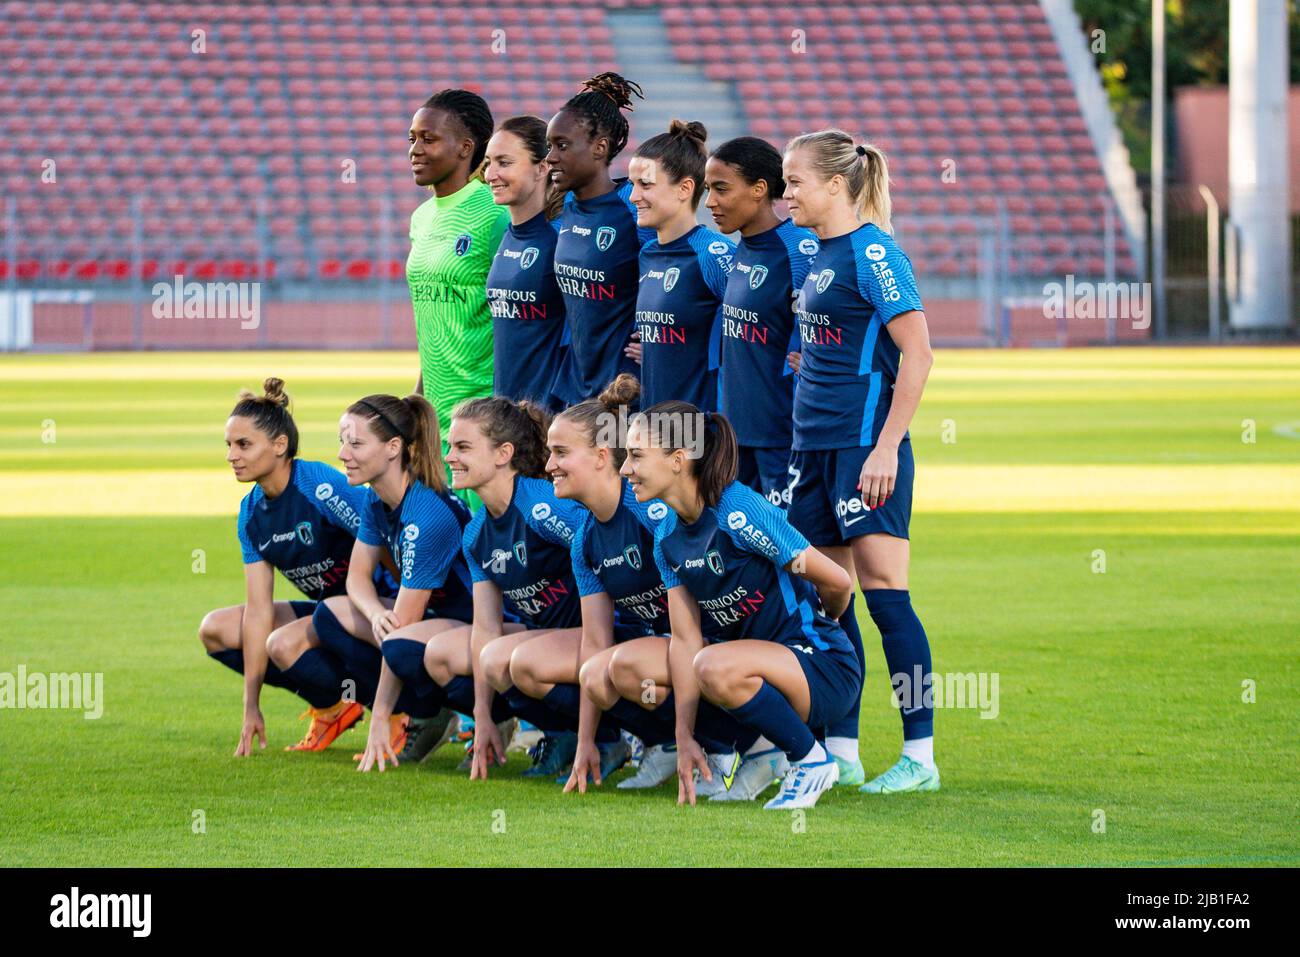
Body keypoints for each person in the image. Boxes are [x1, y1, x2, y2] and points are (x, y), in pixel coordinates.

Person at [706, 134, 869, 791]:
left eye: (722, 188)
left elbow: (834, 334)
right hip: (737, 446)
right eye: (709, 187)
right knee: (754, 592)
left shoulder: (798, 251)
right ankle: (768, 739)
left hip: (784, 449)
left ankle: (842, 739)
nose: (711, 200)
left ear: (762, 190)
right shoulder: (735, 253)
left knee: (816, 581)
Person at [783, 130, 939, 794]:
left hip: (863, 446)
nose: (786, 192)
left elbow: (919, 353)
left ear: (835, 185)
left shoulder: (875, 250)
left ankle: (920, 756)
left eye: (794, 181)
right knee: (828, 593)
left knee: (886, 596)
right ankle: (842, 746)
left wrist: (884, 448)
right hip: (813, 445)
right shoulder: (820, 252)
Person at [624, 402, 860, 809]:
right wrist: (683, 735)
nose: (625, 469)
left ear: (678, 460)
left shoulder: (738, 511)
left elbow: (838, 580)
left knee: (711, 665)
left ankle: (810, 760)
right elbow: (684, 642)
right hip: (750, 671)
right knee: (648, 668)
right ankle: (762, 753)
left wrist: (826, 621)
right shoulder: (666, 535)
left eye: (636, 456)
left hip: (821, 668)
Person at [545, 375, 755, 796]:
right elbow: (594, 643)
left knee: (623, 668)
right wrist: (588, 740)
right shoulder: (584, 537)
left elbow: (694, 622)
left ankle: (726, 744)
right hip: (673, 647)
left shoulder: (649, 512)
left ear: (603, 456)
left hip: (716, 646)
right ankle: (663, 745)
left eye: (560, 453)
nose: (549, 465)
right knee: (596, 674)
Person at [420, 396, 609, 780]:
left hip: (607, 635)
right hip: (552, 640)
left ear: (504, 453)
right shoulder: (475, 533)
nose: (450, 457)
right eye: (449, 447)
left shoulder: (543, 507)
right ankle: (562, 736)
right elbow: (485, 629)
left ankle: (605, 737)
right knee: (462, 657)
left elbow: (606, 548)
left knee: (518, 662)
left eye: (463, 447)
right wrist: (482, 716)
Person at [200, 378, 392, 754]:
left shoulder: (319, 485)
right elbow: (257, 612)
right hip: (330, 613)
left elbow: (385, 540)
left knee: (284, 643)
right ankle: (333, 709)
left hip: (380, 605)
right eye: (229, 445)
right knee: (216, 629)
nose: (231, 456)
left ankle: (400, 711)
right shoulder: (251, 514)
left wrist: (407, 610)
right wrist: (250, 706)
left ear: (280, 445)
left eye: (243, 444)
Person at [300, 394, 474, 772]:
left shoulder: (425, 514)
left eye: (356, 443)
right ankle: (422, 713)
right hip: (431, 618)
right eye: (342, 442)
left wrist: (378, 715)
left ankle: (431, 714)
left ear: (394, 447)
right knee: (329, 618)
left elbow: (405, 625)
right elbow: (357, 578)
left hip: (473, 622)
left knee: (399, 645)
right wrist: (377, 612)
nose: (344, 453)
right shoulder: (376, 500)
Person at [407, 88, 511, 493]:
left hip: (482, 416)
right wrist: (417, 401)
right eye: (412, 138)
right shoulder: (421, 217)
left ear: (466, 147)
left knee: (482, 547)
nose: (415, 149)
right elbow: (435, 321)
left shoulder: (493, 211)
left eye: (429, 139)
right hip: (435, 418)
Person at [546, 72, 656, 405]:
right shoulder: (566, 204)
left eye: (561, 145)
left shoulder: (633, 206)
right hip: (574, 387)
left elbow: (670, 274)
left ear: (600, 147)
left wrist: (655, 340)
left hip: (621, 391)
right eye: (549, 145)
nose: (550, 156)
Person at [628, 120, 735, 411]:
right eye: (632, 185)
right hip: (652, 424)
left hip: (698, 431)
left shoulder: (715, 254)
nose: (634, 196)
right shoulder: (648, 252)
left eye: (645, 185)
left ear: (685, 188)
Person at [483, 115, 568, 409]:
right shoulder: (508, 235)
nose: (490, 174)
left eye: (504, 163)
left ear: (542, 168)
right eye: (488, 163)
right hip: (506, 419)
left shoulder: (562, 240)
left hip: (547, 420)